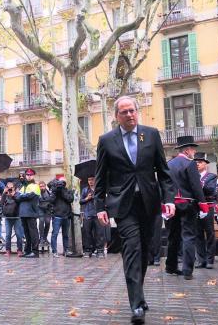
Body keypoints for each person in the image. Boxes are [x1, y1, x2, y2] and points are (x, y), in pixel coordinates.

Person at [94, 96, 175, 324]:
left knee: (146, 250)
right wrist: (100, 206)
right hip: (123, 204)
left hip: (149, 203)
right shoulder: (107, 140)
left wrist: (168, 199)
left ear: (137, 112)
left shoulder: (150, 134)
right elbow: (100, 178)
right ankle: (137, 304)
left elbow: (164, 171)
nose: (129, 115)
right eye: (124, 112)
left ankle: (138, 292)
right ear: (116, 116)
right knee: (131, 249)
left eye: (132, 111)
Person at [166, 136, 207, 281]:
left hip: (171, 204)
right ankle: (187, 270)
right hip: (188, 203)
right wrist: (203, 204)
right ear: (188, 150)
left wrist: (164, 202)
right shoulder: (190, 164)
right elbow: (196, 186)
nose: (194, 152)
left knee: (173, 236)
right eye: (193, 149)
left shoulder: (169, 163)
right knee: (188, 236)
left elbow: (164, 185)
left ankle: (170, 266)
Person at [194, 152, 217, 270]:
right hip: (196, 207)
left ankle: (210, 260)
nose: (197, 164)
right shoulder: (192, 176)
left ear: (206, 164)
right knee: (198, 234)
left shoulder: (211, 176)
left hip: (208, 206)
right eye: (196, 162)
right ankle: (200, 259)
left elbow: (211, 189)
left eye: (200, 162)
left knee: (209, 233)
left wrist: (198, 185)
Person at [16, 168, 41, 258]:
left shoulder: (35, 186)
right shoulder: (23, 186)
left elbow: (31, 196)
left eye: (30, 175)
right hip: (23, 212)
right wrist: (23, 196)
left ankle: (35, 251)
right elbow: (17, 197)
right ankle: (27, 250)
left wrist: (22, 196)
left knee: (33, 233)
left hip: (31, 212)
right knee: (26, 233)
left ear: (33, 175)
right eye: (27, 175)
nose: (29, 176)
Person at [49, 177, 74, 258]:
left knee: (65, 235)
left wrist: (62, 191)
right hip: (57, 216)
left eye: (63, 182)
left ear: (65, 183)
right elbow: (51, 200)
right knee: (55, 234)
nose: (61, 184)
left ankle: (66, 250)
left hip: (66, 216)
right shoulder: (55, 191)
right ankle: (54, 251)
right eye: (60, 182)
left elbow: (70, 199)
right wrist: (55, 191)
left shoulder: (68, 191)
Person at [81, 176, 103, 258]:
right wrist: (87, 198)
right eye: (89, 179)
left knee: (99, 233)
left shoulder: (99, 189)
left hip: (97, 213)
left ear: (95, 180)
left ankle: (100, 250)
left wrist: (96, 197)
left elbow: (103, 199)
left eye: (92, 179)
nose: (90, 181)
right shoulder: (85, 190)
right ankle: (88, 250)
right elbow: (81, 201)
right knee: (87, 233)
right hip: (88, 214)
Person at [2, 182, 24, 256]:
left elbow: (19, 201)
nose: (10, 188)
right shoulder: (5, 194)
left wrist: (13, 195)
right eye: (8, 187)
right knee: (8, 235)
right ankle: (8, 250)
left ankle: (19, 250)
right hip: (8, 217)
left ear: (14, 187)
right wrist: (3, 193)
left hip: (16, 217)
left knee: (18, 234)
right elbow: (1, 203)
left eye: (11, 187)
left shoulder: (17, 194)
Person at [37, 181, 52, 250]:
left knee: (48, 222)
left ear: (45, 186)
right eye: (40, 186)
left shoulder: (49, 193)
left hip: (47, 210)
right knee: (41, 221)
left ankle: (45, 237)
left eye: (43, 186)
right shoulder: (37, 193)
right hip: (40, 209)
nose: (41, 187)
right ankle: (41, 238)